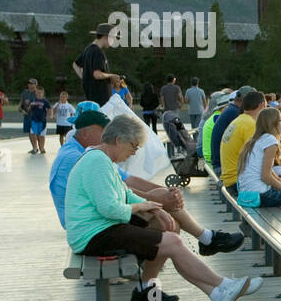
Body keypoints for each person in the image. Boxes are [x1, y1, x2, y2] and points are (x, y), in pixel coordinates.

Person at [64, 115, 261, 301]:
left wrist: (155, 208)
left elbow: (126, 194)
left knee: (169, 227)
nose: (134, 153)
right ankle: (221, 285)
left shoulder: (102, 159)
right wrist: (143, 207)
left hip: (102, 227)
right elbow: (109, 209)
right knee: (172, 242)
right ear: (118, 140)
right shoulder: (98, 162)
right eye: (134, 146)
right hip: (93, 235)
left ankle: (156, 290)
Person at [49, 107, 245, 261]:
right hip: (90, 225)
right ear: (88, 132)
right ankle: (204, 240)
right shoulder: (80, 157)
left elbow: (125, 182)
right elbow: (109, 201)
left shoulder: (97, 154)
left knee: (166, 217)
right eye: (103, 130)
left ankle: (151, 284)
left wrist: (159, 193)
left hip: (97, 218)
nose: (106, 135)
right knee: (165, 223)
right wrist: (151, 200)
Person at [236, 108, 281, 210]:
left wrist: (280, 180)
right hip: (260, 195)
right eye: (280, 120)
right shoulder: (270, 140)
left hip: (246, 194)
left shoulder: (255, 140)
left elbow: (268, 170)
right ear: (273, 123)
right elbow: (265, 177)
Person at [219, 91, 264, 194]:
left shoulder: (239, 121)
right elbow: (257, 161)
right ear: (261, 106)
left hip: (229, 179)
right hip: (238, 183)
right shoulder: (250, 125)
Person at [72, 23, 123, 105]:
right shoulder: (98, 52)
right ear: (106, 37)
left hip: (92, 98)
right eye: (113, 38)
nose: (114, 41)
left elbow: (75, 64)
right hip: (100, 99)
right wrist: (111, 75)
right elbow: (97, 74)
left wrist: (84, 77)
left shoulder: (88, 49)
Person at [210, 85, 255, 176]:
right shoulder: (235, 113)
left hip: (222, 165)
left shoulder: (231, 110)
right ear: (247, 101)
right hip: (224, 169)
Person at [27, 85, 50, 154]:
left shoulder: (45, 101)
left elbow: (49, 108)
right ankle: (35, 148)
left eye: (40, 92)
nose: (38, 94)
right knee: (33, 134)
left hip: (42, 121)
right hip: (34, 120)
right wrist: (30, 105)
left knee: (41, 135)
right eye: (37, 92)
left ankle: (42, 148)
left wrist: (50, 115)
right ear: (35, 93)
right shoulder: (33, 100)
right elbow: (28, 109)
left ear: (43, 93)